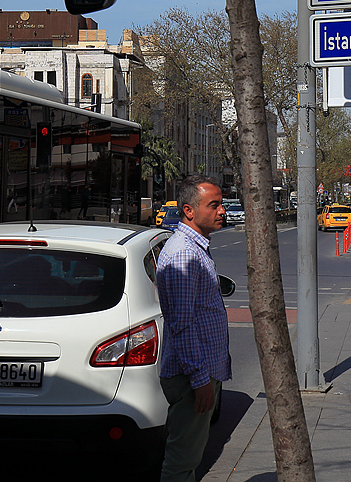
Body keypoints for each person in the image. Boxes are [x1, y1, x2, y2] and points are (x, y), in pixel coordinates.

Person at [156, 175, 231, 482]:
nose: (222, 211)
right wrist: (201, 381)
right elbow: (183, 324)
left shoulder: (195, 247)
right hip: (192, 378)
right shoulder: (184, 253)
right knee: (181, 462)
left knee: (188, 457)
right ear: (189, 210)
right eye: (214, 205)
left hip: (198, 374)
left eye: (222, 204)